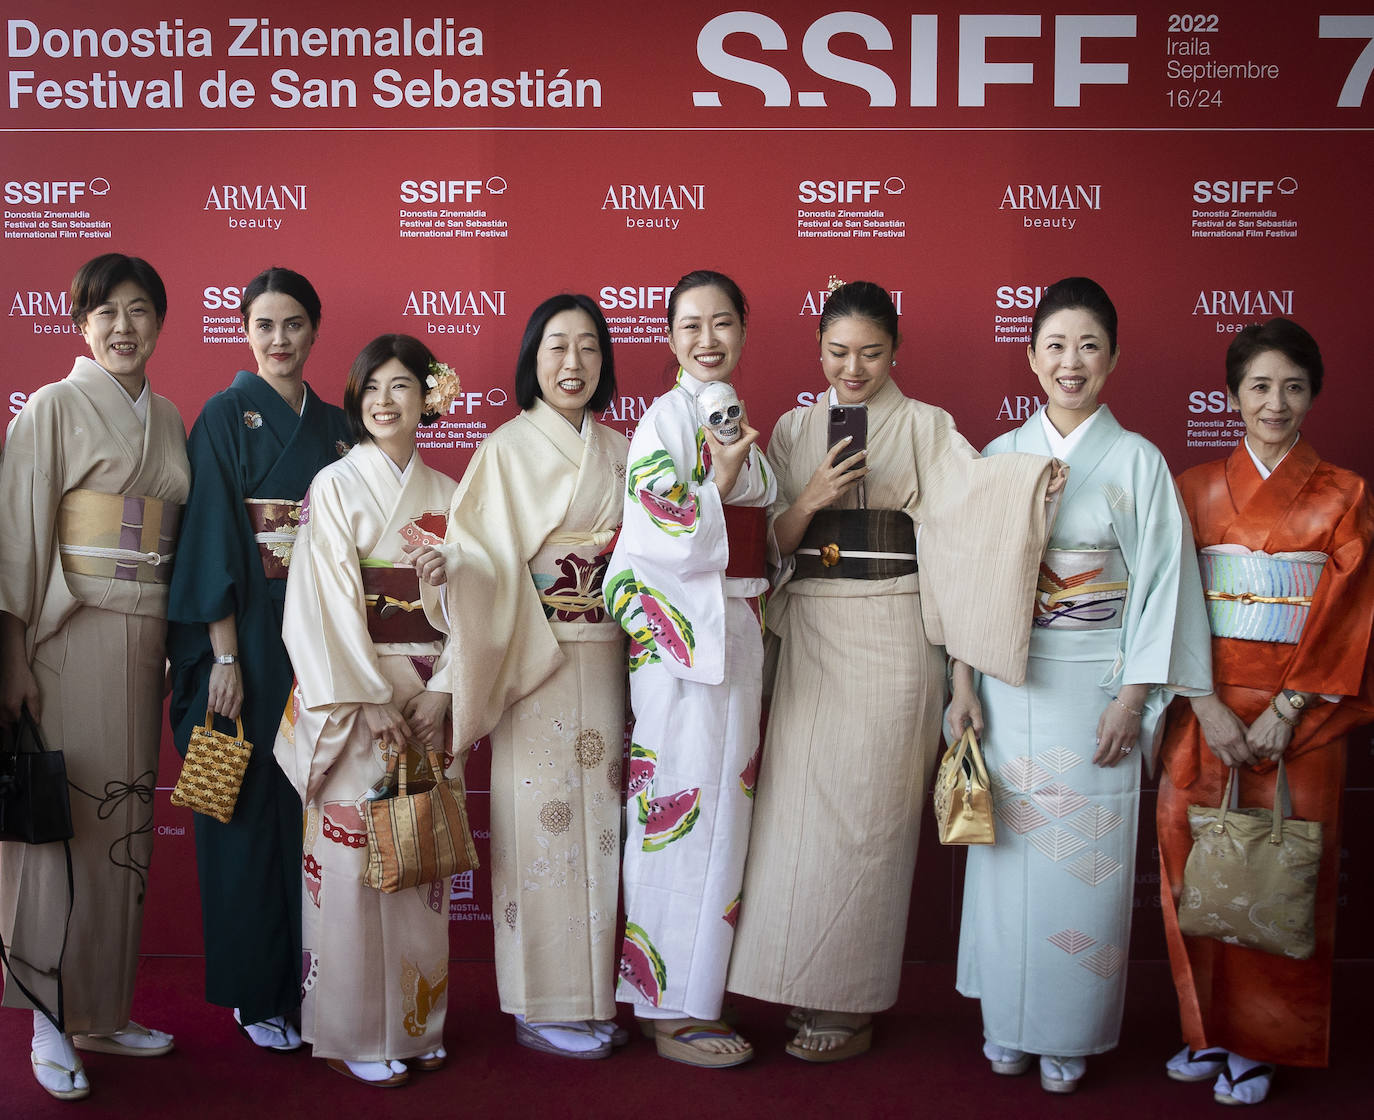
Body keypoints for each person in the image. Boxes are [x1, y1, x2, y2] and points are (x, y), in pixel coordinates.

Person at [726, 280, 1061, 1062]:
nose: (854, 367)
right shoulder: (792, 429)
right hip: (810, 627)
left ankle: (847, 1001)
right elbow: (770, 538)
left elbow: (971, 518)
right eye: (839, 353)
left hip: (897, 629)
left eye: (871, 353)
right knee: (797, 821)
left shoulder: (927, 426)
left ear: (896, 351)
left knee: (869, 823)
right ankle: (789, 985)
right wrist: (810, 496)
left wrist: (1030, 482)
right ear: (817, 353)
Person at [948, 276, 1211, 1094]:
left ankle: (1068, 1034)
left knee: (1082, 867)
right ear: (1030, 357)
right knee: (1006, 860)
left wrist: (1133, 700)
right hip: (1005, 684)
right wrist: (962, 686)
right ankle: (1007, 1025)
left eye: (1088, 346)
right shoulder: (999, 457)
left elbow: (1164, 586)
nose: (1072, 362)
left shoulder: (1137, 462)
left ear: (1113, 360)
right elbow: (970, 586)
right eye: (1055, 345)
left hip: (1094, 687)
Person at [1157, 318, 1374, 1106]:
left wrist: (1288, 705)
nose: (1274, 402)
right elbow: (1167, 601)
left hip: (1304, 717)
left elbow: (1354, 609)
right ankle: (1206, 1031)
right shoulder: (1193, 488)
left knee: (1281, 873)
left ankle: (1264, 1041)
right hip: (1206, 710)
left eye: (1291, 386)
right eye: (1258, 386)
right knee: (1195, 867)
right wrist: (1204, 702)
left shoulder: (1346, 494)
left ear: (1312, 394)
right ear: (1231, 396)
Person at [409, 294, 630, 1059]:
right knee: (539, 824)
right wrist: (449, 572)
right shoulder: (503, 450)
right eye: (557, 348)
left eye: (589, 349)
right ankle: (541, 1000)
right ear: (532, 361)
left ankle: (594, 992)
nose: (574, 363)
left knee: (601, 826)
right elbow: (477, 557)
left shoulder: (622, 450)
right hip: (530, 655)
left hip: (604, 654)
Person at [0, 254, 191, 1101]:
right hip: (66, 638)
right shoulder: (51, 408)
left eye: (140, 310)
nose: (123, 326)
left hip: (141, 638)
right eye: (105, 311)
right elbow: (17, 537)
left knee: (125, 838)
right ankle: (49, 1016)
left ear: (160, 322)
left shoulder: (172, 416)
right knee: (62, 833)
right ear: (79, 322)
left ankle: (104, 1010)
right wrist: (12, 658)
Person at [166, 267, 351, 1051]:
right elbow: (208, 538)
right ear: (244, 331)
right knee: (234, 812)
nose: (280, 341)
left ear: (314, 331)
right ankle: (253, 993)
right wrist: (223, 657)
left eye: (294, 325)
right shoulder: (218, 417)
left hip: (319, 644)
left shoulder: (340, 427)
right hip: (237, 643)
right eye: (265, 326)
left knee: (315, 814)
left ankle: (314, 983)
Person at [272, 334, 459, 1087]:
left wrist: (446, 686)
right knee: (352, 862)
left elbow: (482, 602)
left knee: (419, 856)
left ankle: (416, 1025)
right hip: (357, 699)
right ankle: (353, 1030)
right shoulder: (335, 485)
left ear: (428, 398)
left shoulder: (452, 494)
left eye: (403, 385)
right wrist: (367, 694)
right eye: (372, 386)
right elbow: (315, 605)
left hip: (427, 693)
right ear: (356, 400)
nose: (386, 400)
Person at [602, 269, 774, 1067]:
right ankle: (666, 1006)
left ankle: (698, 991)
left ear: (743, 330)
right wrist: (724, 484)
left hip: (734, 629)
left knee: (723, 813)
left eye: (723, 324)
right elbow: (657, 530)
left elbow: (760, 520)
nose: (708, 340)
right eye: (691, 326)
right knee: (676, 811)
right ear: (670, 338)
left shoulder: (733, 413)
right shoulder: (663, 420)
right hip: (683, 647)